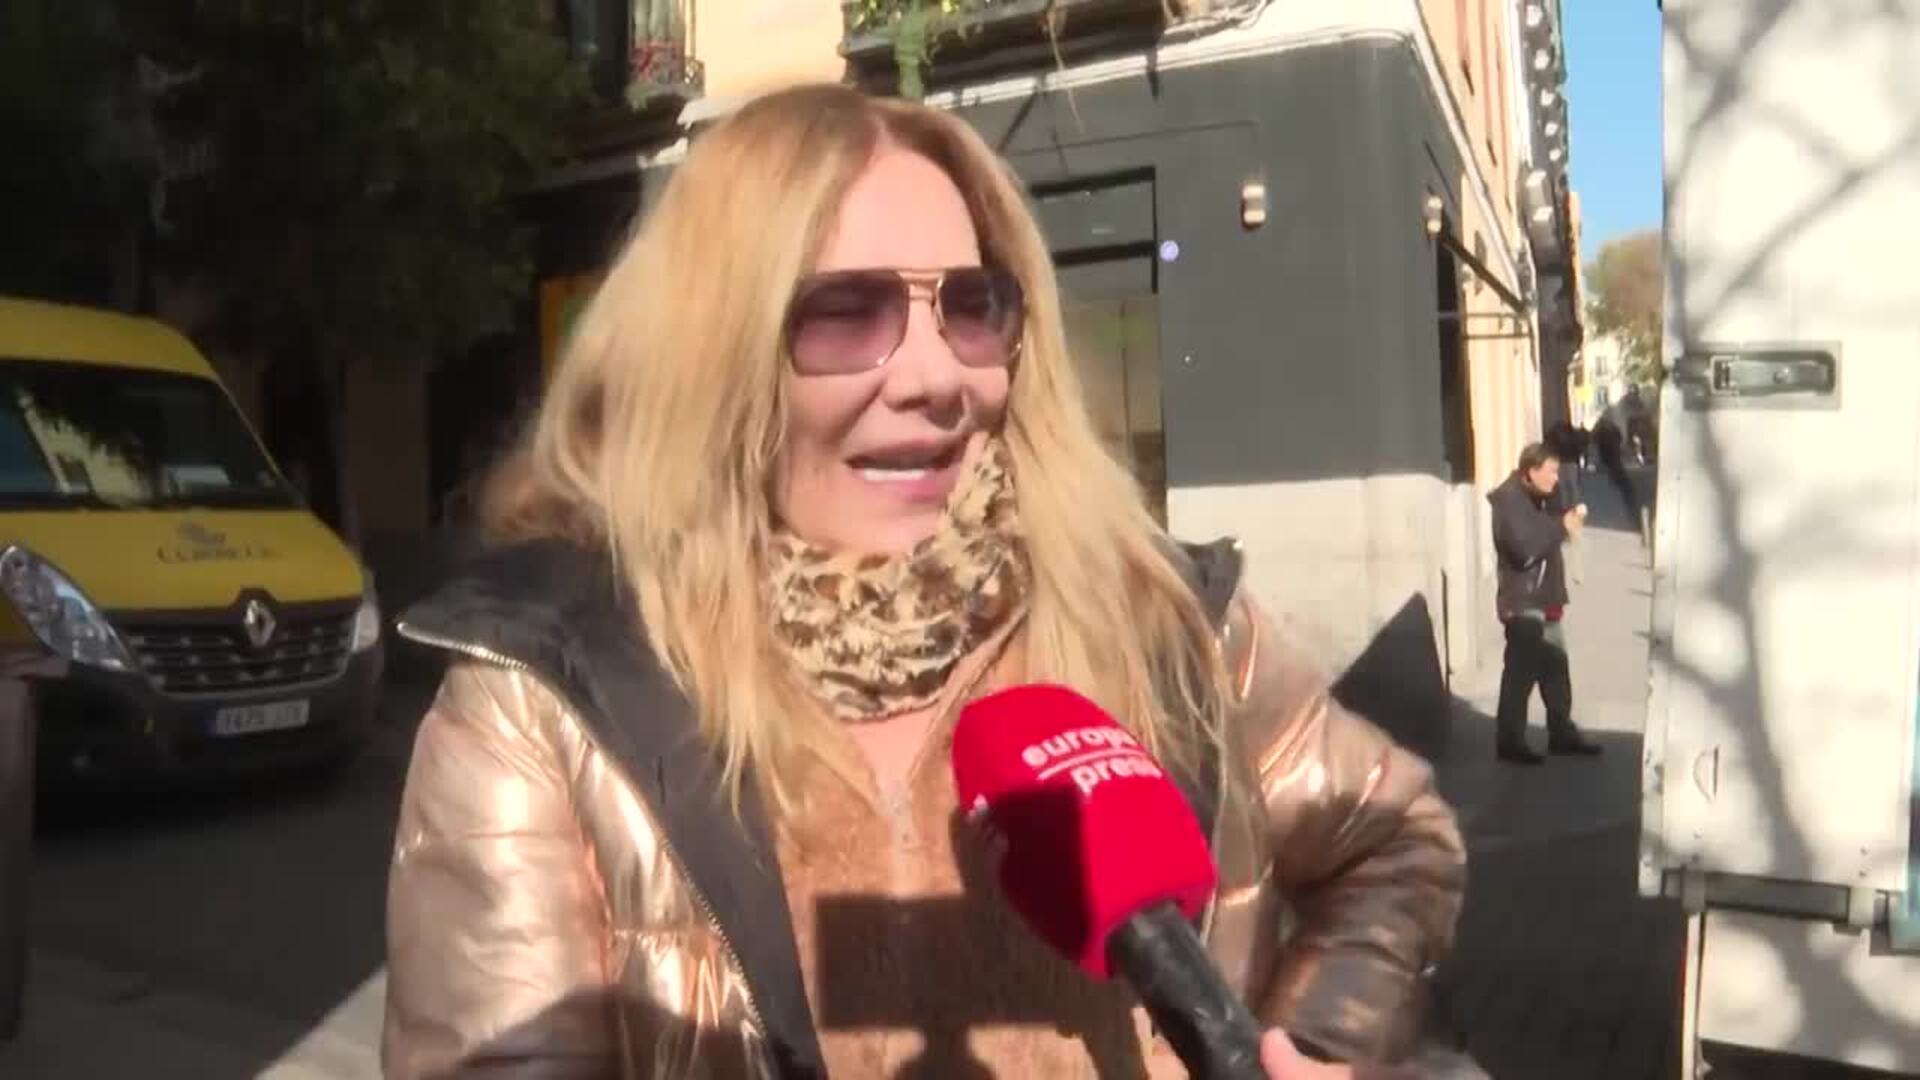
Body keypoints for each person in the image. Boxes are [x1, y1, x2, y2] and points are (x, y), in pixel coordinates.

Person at [382, 84, 1464, 1080]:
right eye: (845, 312)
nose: (938, 376)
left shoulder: (1163, 622)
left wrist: (1310, 1047)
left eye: (972, 305)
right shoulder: (545, 705)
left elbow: (1397, 846)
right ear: (711, 357)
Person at [1486, 444, 1602, 765]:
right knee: (1520, 673)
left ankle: (1562, 733)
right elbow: (1524, 549)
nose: (1555, 478)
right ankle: (1510, 741)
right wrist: (1560, 526)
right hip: (1523, 600)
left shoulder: (1540, 497)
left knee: (1555, 668)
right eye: (1550, 472)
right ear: (1530, 471)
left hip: (1546, 596)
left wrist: (1566, 516)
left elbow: (1552, 529)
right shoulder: (1509, 502)